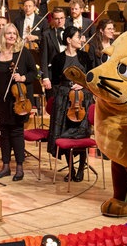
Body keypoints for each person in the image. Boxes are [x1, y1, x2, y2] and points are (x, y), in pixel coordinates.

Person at [0, 23, 37, 181]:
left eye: (14, 33)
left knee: (17, 132)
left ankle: (19, 167)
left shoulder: (23, 53)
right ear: (2, 36)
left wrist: (22, 78)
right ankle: (5, 166)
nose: (12, 36)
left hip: (17, 100)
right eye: (8, 33)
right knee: (3, 133)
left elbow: (34, 72)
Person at [46, 26, 94, 182]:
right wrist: (66, 88)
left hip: (84, 100)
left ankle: (81, 168)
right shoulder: (58, 58)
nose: (80, 39)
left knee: (82, 133)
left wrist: (83, 85)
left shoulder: (85, 57)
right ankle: (71, 169)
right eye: (77, 37)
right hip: (65, 101)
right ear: (68, 40)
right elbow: (54, 82)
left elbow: (91, 78)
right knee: (65, 133)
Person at [40, 7, 67, 98]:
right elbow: (43, 58)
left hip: (69, 73)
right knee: (53, 105)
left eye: (61, 18)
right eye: (56, 18)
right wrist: (45, 77)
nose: (59, 21)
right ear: (52, 19)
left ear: (65, 18)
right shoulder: (46, 35)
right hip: (53, 75)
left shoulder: (71, 32)